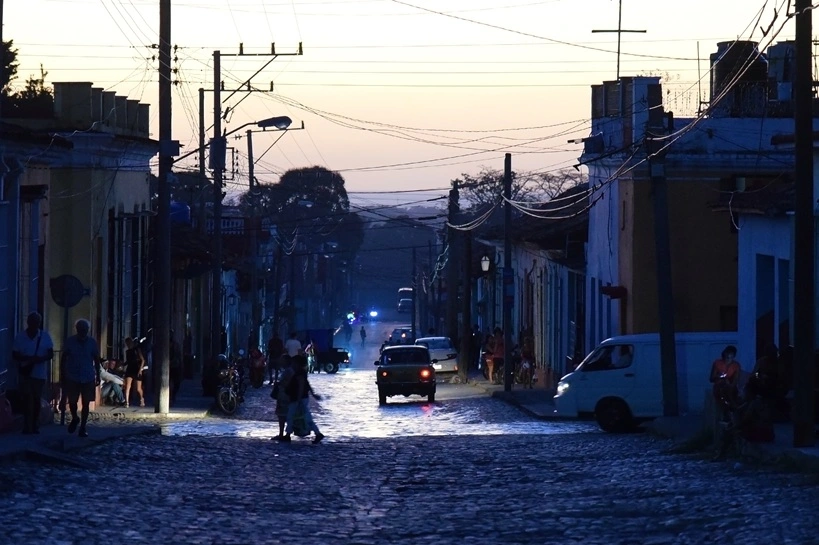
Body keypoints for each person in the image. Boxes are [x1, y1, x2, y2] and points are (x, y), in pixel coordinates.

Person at [11, 312, 54, 435]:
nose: (34, 324)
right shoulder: (20, 337)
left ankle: (34, 424)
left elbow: (50, 353)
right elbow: (14, 354)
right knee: (26, 399)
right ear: (28, 323)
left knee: (35, 400)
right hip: (26, 373)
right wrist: (27, 358)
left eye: (36, 322)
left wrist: (41, 359)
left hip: (39, 374)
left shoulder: (45, 336)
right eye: (32, 322)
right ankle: (27, 425)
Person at [61, 319, 101, 437]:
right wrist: (63, 373)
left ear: (87, 330)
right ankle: (75, 418)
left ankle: (83, 427)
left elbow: (96, 359)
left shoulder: (92, 343)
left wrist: (97, 375)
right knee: (72, 401)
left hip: (88, 376)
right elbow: (64, 358)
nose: (83, 331)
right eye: (81, 329)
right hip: (73, 376)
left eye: (85, 329)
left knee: (86, 402)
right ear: (77, 329)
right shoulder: (70, 342)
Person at [278, 355, 325, 444]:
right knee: (304, 417)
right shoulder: (301, 372)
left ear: (298, 363)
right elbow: (307, 384)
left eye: (294, 362)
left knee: (292, 416)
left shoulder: (299, 373)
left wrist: (299, 399)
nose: (292, 364)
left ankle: (288, 435)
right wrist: (313, 394)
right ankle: (317, 433)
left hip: (297, 398)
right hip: (300, 398)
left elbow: (301, 385)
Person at [709, 345, 741, 420]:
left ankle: (731, 409)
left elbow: (735, 380)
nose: (728, 359)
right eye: (727, 357)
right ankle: (732, 408)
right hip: (719, 387)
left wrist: (730, 385)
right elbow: (711, 379)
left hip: (730, 388)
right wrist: (719, 377)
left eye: (730, 357)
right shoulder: (717, 363)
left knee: (730, 392)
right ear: (724, 354)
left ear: (733, 357)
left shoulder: (736, 366)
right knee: (723, 392)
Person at [123, 337, 146, 408]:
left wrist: (140, 369)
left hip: (137, 369)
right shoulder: (127, 351)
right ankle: (127, 402)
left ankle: (142, 399)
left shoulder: (137, 350)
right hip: (130, 369)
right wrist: (123, 364)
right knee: (127, 386)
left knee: (138, 388)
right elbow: (128, 361)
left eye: (128, 343)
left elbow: (142, 360)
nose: (127, 344)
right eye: (126, 343)